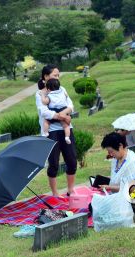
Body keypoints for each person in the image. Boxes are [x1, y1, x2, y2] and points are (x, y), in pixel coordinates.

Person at [35, 64, 77, 197]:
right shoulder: (40, 93)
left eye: (58, 75)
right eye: (55, 75)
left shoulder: (62, 89)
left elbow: (71, 105)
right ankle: (55, 193)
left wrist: (62, 115)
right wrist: (62, 116)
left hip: (66, 130)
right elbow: (44, 112)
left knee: (72, 160)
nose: (58, 77)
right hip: (51, 132)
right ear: (46, 77)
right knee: (53, 164)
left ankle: (71, 190)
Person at [40, 79, 72, 144]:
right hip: (63, 110)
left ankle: (45, 133)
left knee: (46, 122)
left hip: (53, 111)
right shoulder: (63, 92)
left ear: (48, 89)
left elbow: (44, 102)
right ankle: (67, 137)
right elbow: (67, 98)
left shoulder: (50, 95)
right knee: (66, 126)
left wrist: (43, 95)